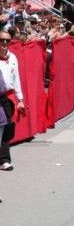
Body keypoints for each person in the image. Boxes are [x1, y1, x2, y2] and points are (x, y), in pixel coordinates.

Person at [0, 31, 25, 170]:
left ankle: (4, 160)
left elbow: (16, 80)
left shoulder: (13, 58)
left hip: (7, 97)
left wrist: (20, 99)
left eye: (7, 41)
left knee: (7, 128)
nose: (4, 43)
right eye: (1, 40)